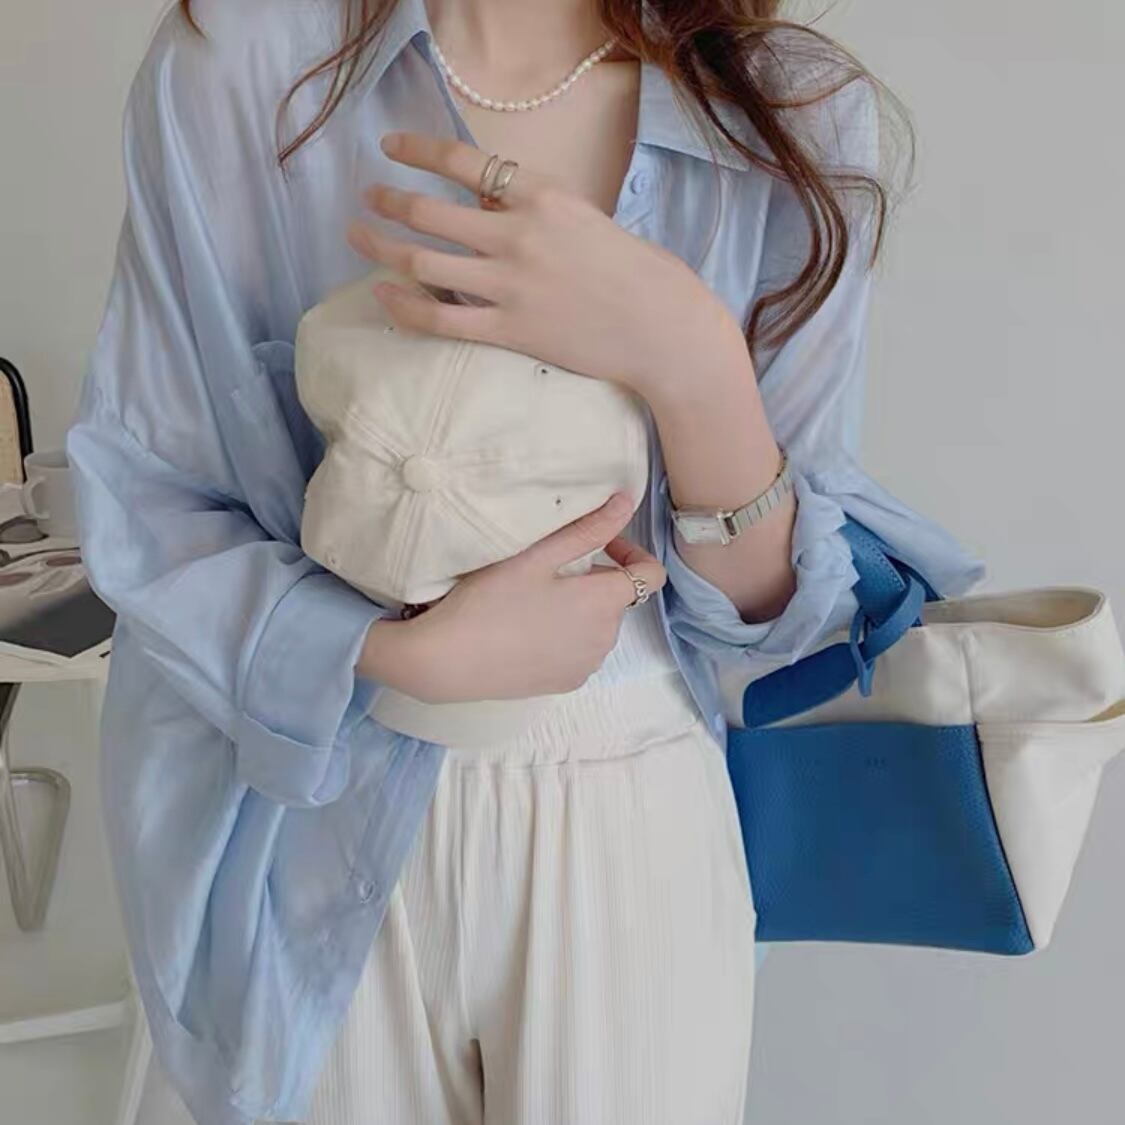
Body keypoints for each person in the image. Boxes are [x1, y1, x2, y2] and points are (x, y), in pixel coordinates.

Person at [63, 1, 986, 1123]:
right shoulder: (243, 63)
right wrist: (387, 651)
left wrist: (690, 359)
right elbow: (150, 495)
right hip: (307, 806)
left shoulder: (787, 109)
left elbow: (771, 625)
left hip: (632, 806)